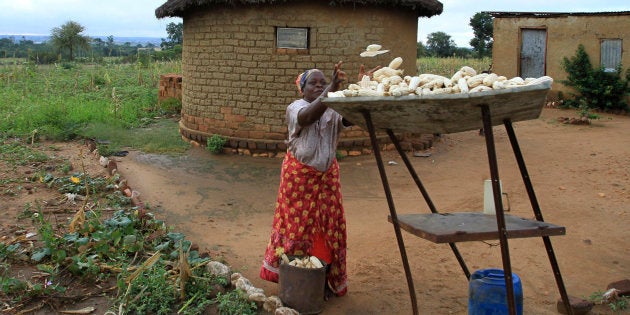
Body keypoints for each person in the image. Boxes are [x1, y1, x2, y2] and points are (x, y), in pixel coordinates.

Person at [260, 61, 350, 297]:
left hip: (327, 176)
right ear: (302, 88)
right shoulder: (295, 107)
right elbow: (308, 117)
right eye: (314, 83)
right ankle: (296, 277)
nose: (319, 87)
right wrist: (331, 88)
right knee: (297, 226)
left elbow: (349, 120)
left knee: (329, 225)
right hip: (299, 178)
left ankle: (322, 279)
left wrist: (361, 94)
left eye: (323, 83)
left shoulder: (333, 108)